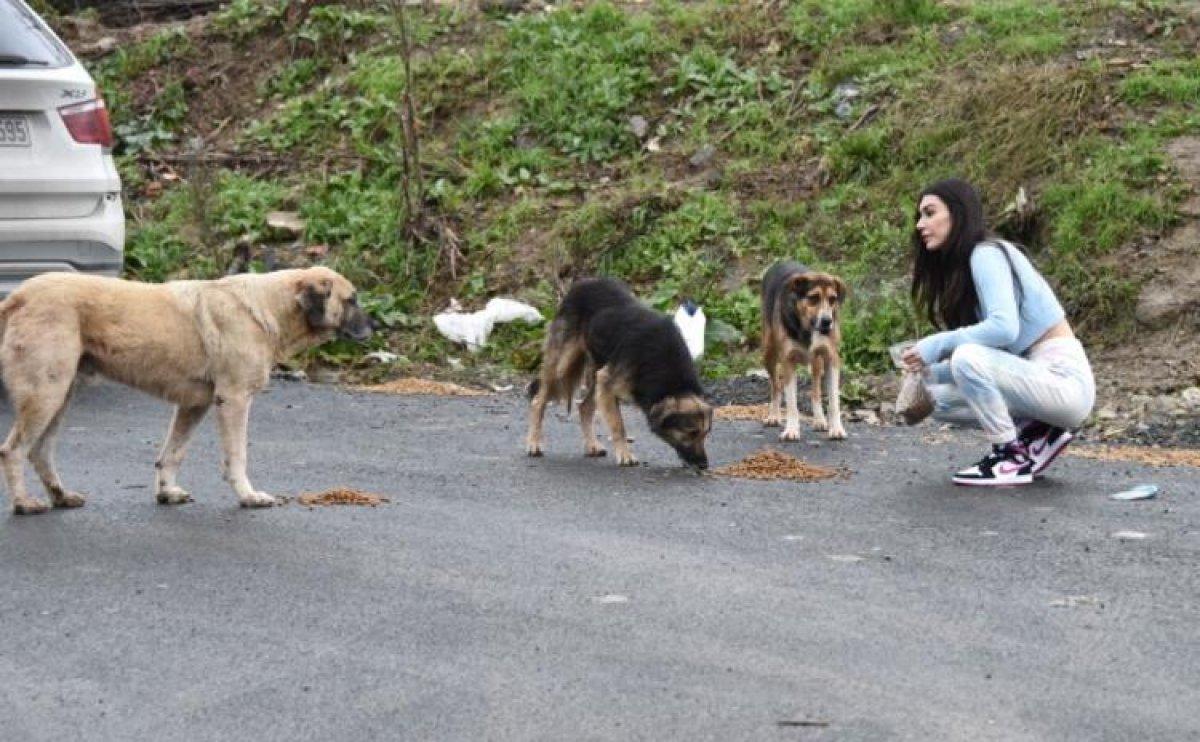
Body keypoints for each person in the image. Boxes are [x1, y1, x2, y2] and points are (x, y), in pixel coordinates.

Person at [900, 178, 1096, 486]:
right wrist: (923, 370)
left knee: (966, 356)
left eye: (929, 213)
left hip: (1062, 378)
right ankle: (1038, 433)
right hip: (1033, 376)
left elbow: (1004, 329)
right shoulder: (966, 268)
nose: (920, 224)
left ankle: (1010, 456)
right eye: (919, 216)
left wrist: (936, 344)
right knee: (935, 396)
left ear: (957, 213)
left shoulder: (987, 253)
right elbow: (990, 360)